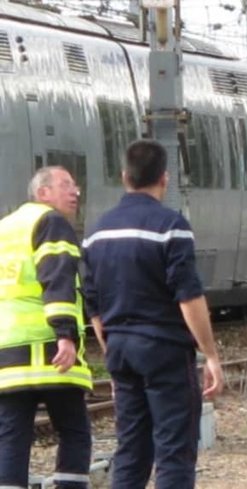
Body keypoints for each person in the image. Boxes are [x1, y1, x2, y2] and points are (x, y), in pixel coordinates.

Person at [82, 140, 224, 489]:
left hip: (121, 350)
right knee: (174, 449)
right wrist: (211, 354)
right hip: (163, 350)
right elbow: (188, 297)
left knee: (131, 449)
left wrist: (111, 349)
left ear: (124, 176)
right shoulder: (171, 226)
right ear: (165, 178)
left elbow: (93, 304)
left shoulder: (96, 233)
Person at [0, 167, 93, 489]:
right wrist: (65, 334)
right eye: (66, 185)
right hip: (49, 350)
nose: (75, 192)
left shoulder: (6, 228)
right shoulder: (50, 222)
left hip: (8, 354)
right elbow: (57, 278)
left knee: (12, 437)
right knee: (74, 431)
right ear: (43, 193)